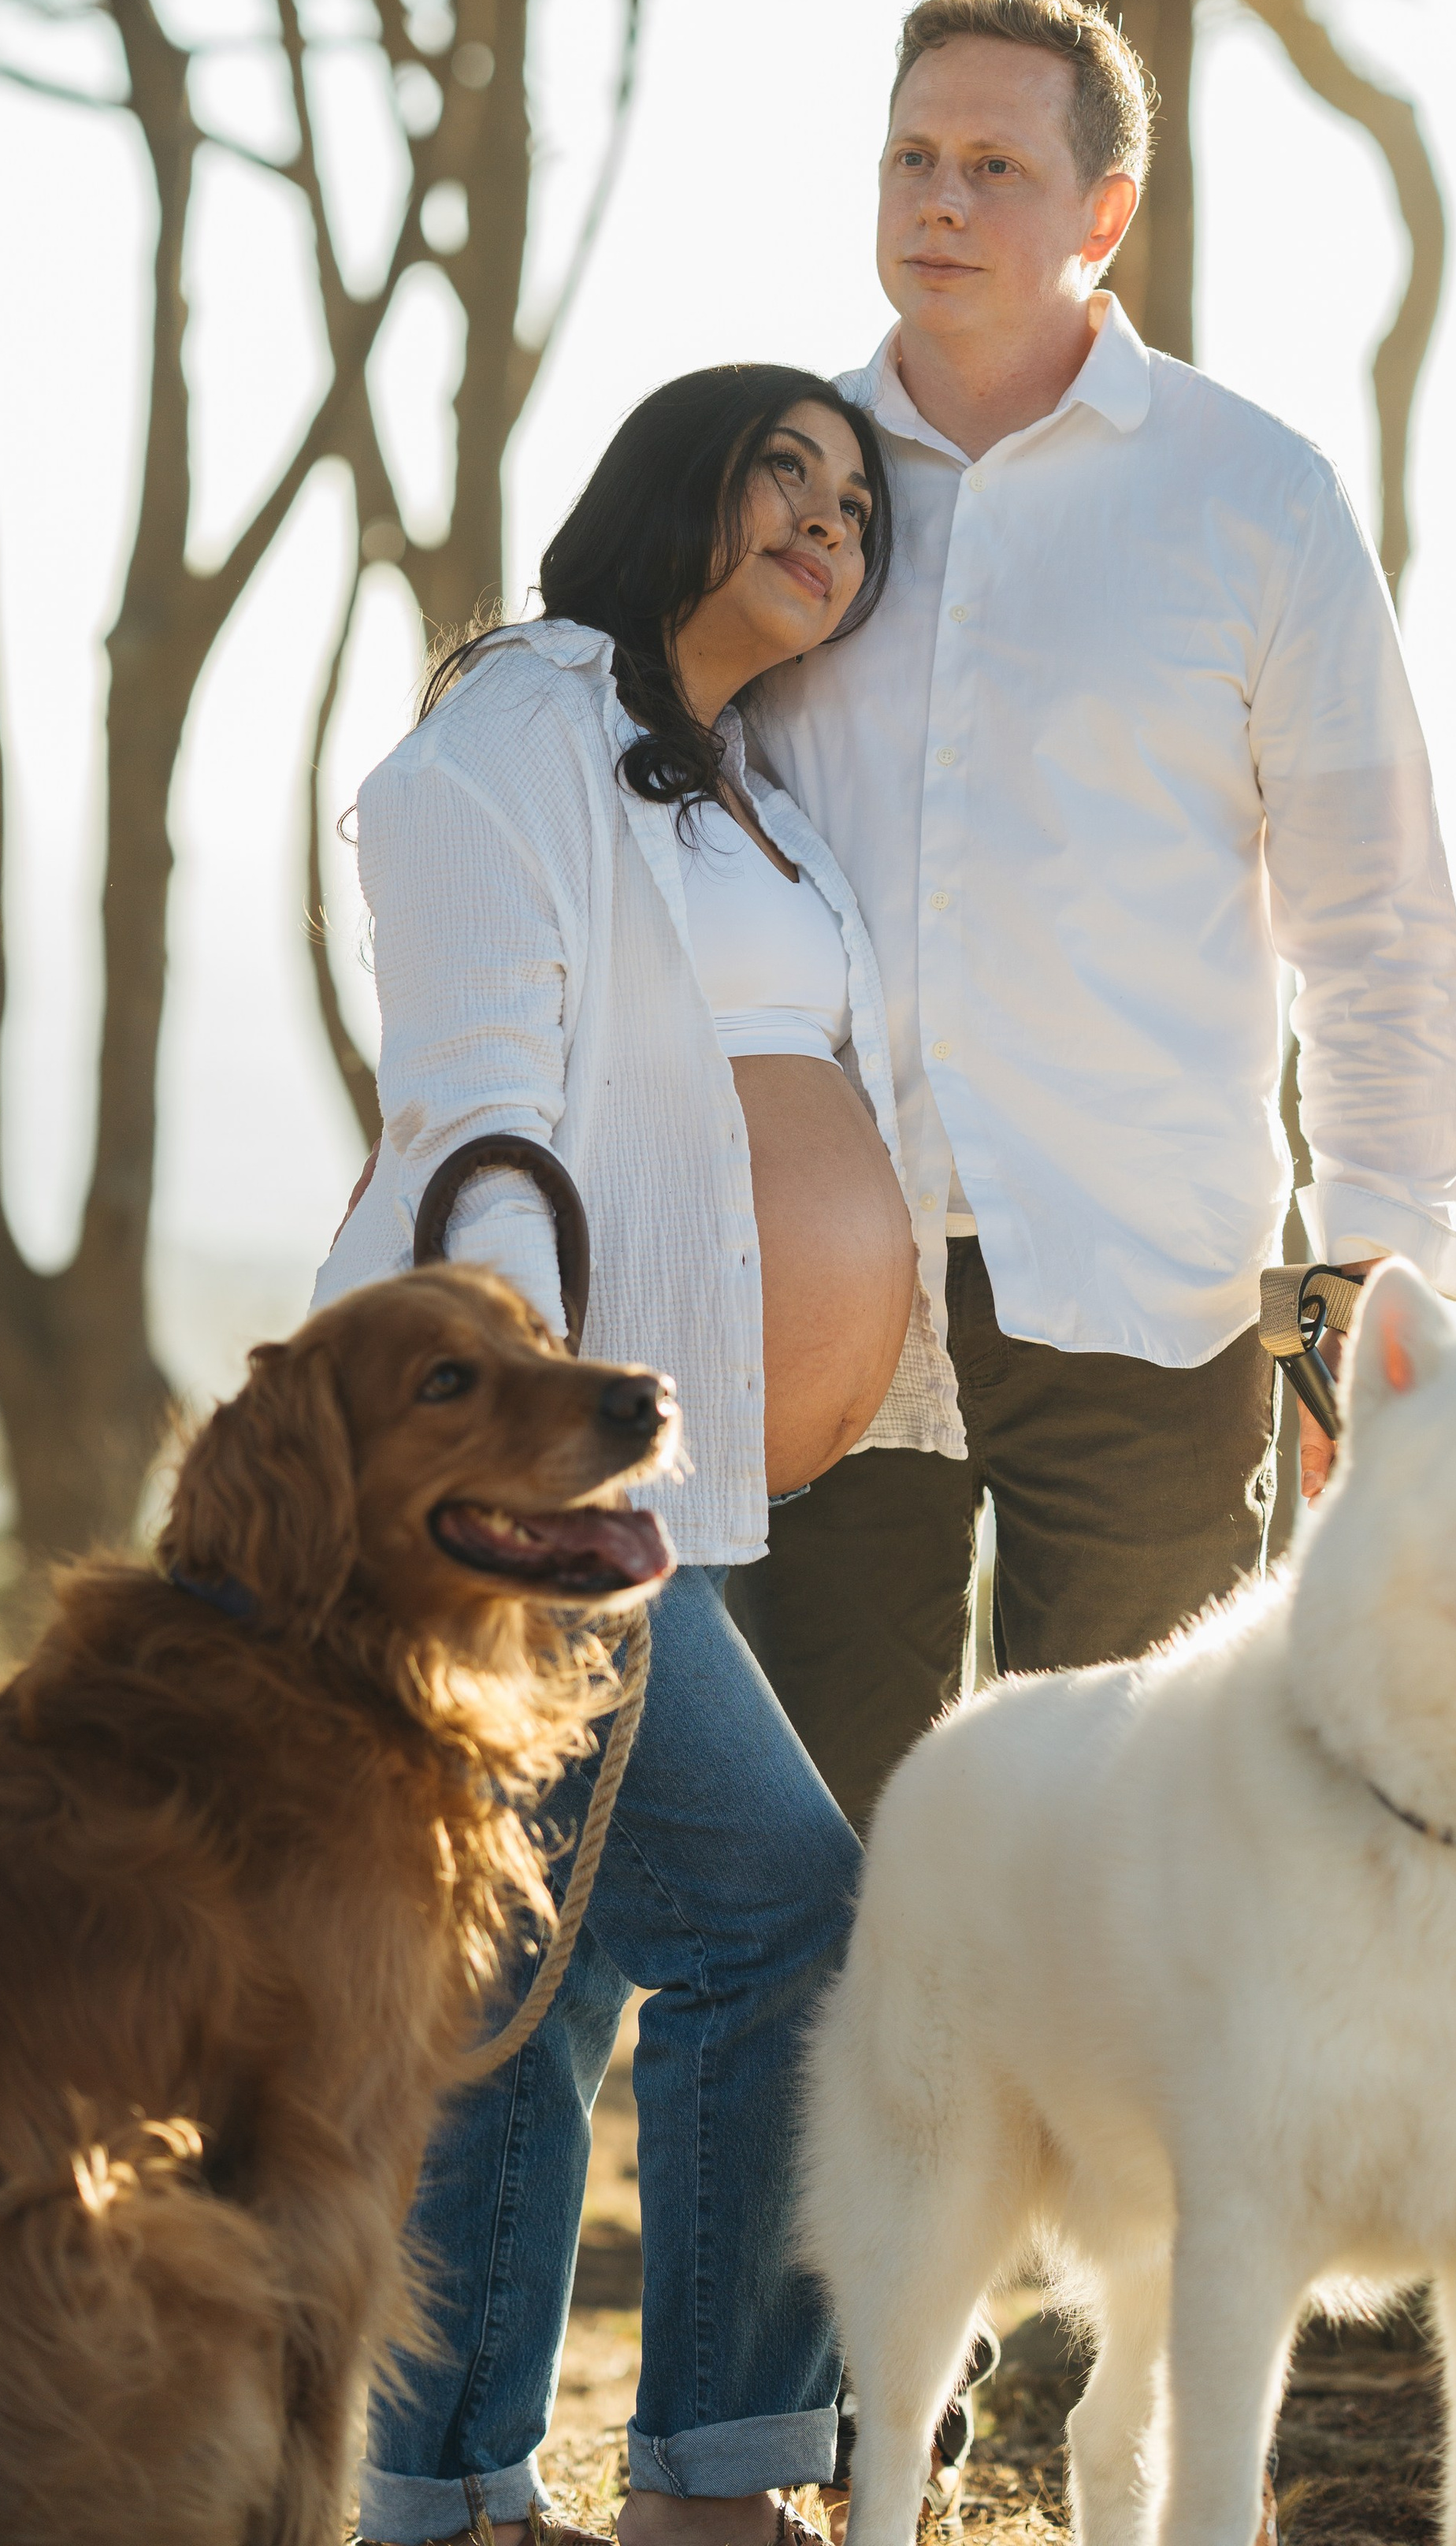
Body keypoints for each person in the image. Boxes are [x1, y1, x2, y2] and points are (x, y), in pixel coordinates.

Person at [730, 0, 1456, 1837]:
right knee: (823, 1875)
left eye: (992, 166)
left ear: (1102, 211)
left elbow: (1376, 919)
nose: (937, 200)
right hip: (824, 1284)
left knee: (1126, 1872)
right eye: (911, 156)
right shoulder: (766, 488)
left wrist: (1369, 1269)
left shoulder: (1251, 498)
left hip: (1151, 1297)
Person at [314, 363, 960, 2546]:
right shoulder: (522, 727)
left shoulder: (735, 782)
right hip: (537, 1487)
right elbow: (478, 1103)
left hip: (674, 1485)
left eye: (857, 503)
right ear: (669, 485)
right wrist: (517, 1462)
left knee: (537, 1964)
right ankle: (714, 2480)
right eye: (784, 469)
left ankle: (443, 2491)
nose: (828, 518)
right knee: (790, 1916)